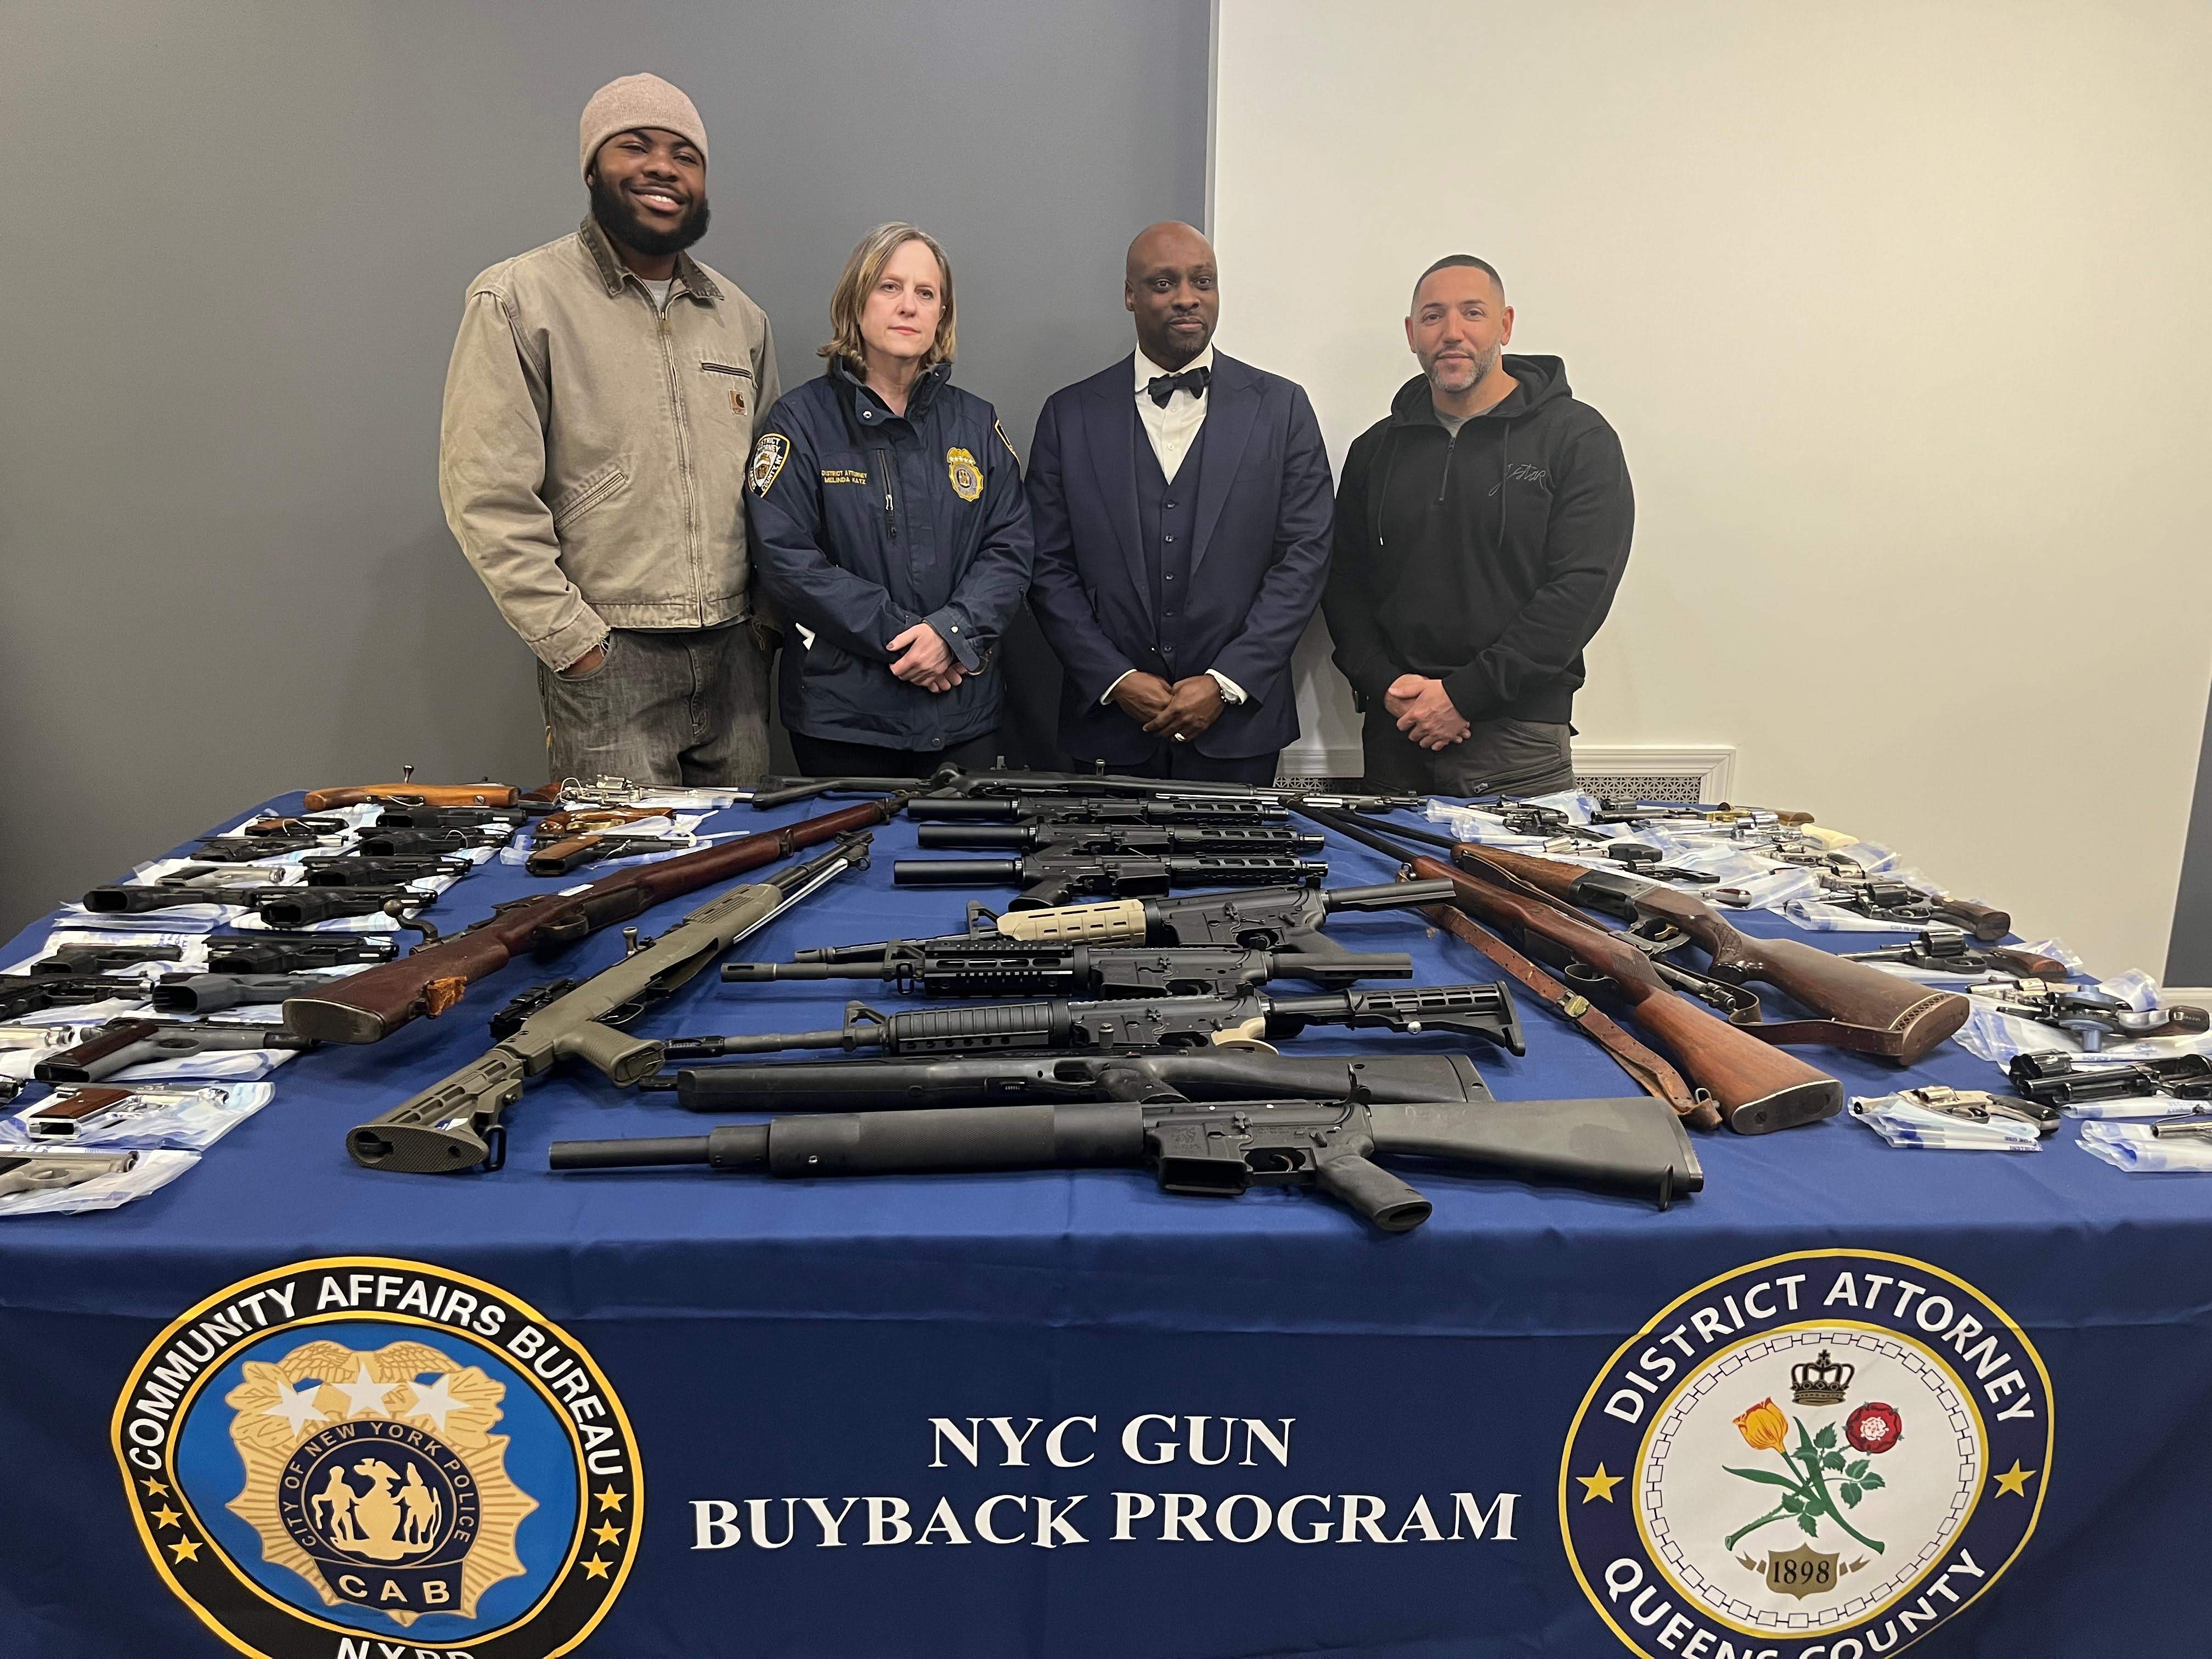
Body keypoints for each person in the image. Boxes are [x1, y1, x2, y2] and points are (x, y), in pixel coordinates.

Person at [440, 73, 779, 786]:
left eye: (686, 155)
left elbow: (777, 489)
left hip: (734, 667)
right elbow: (486, 493)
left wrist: (764, 628)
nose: (663, 167)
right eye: (636, 146)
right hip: (610, 659)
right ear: (593, 166)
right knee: (623, 884)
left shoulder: (740, 319)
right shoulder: (518, 299)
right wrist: (576, 645)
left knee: (742, 885)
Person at [1025, 222, 1334, 785]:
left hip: (1241, 730)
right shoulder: (1068, 416)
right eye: (1164, 282)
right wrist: (1116, 678)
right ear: (1130, 295)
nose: (1187, 297)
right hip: (1108, 732)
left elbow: (1306, 558)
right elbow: (1046, 568)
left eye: (1203, 281)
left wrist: (1226, 681)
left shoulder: (1283, 409)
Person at [1324, 255, 1633, 796]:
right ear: (1411, 334)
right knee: (1390, 880)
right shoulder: (1377, 450)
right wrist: (1384, 682)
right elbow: (1343, 582)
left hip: (1519, 741)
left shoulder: (1577, 439)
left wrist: (1464, 695)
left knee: (1520, 885)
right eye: (1433, 317)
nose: (1452, 333)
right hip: (1398, 732)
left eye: (1472, 313)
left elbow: (1580, 589)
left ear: (1505, 325)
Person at [744, 223, 1032, 777]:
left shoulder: (977, 424)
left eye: (926, 294)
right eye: (889, 287)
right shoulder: (800, 424)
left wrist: (951, 634)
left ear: (941, 315)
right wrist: (907, 641)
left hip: (961, 710)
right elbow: (787, 561)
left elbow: (1012, 547)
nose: (909, 306)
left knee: (964, 865)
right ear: (856, 302)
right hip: (844, 721)